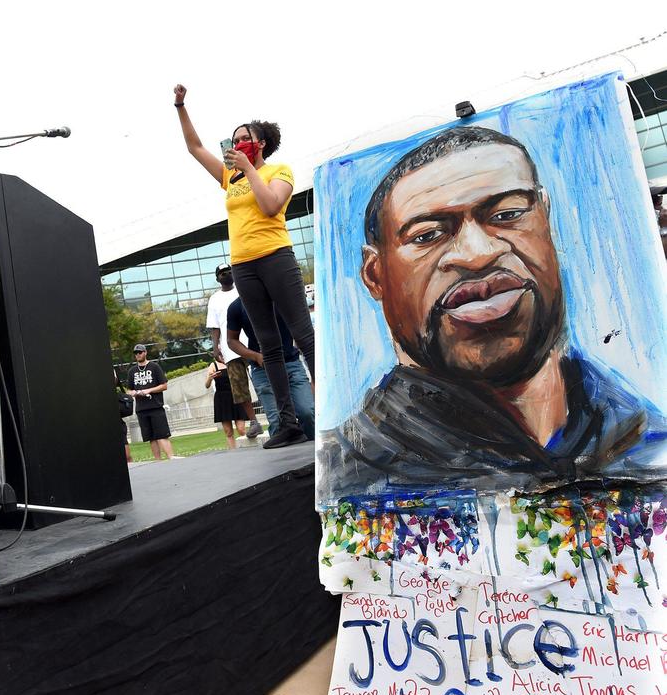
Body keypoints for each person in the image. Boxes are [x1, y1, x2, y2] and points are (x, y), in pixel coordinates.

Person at [320, 126, 667, 495]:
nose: (477, 253)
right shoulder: (353, 473)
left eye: (507, 214)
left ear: (545, 221)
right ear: (375, 275)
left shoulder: (644, 434)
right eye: (427, 235)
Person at [172, 84, 310, 447]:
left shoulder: (278, 170)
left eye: (243, 138)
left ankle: (331, 411)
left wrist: (249, 168)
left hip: (276, 257)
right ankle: (287, 423)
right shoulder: (229, 178)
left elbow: (268, 206)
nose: (236, 144)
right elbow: (195, 147)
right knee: (268, 345)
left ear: (259, 143)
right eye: (233, 140)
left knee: (303, 335)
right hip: (244, 266)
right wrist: (181, 106)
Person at [226, 299, 315, 446]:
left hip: (290, 362)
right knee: (276, 421)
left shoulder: (280, 296)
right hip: (262, 369)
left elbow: (302, 329)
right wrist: (255, 356)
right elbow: (231, 340)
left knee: (307, 412)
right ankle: (286, 463)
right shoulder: (237, 307)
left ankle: (313, 454)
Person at [204, 263, 253, 438]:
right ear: (218, 278)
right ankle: (254, 422)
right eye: (222, 273)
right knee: (239, 389)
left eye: (229, 271)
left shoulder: (243, 289)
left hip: (253, 344)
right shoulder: (214, 298)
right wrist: (215, 347)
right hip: (230, 350)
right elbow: (214, 326)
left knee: (265, 384)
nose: (226, 275)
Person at [128, 345, 175, 460]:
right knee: (151, 437)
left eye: (140, 352)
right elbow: (129, 390)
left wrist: (149, 390)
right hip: (141, 409)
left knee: (162, 435)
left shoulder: (154, 367)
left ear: (145, 352)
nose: (138, 354)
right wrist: (134, 393)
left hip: (156, 406)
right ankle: (158, 461)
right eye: (136, 353)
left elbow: (164, 386)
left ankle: (171, 457)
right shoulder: (132, 371)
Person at [204, 360, 245, 450]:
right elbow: (206, 385)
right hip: (222, 399)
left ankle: (248, 450)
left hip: (236, 396)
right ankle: (233, 453)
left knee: (241, 429)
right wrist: (210, 378)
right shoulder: (213, 365)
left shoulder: (233, 360)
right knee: (228, 432)